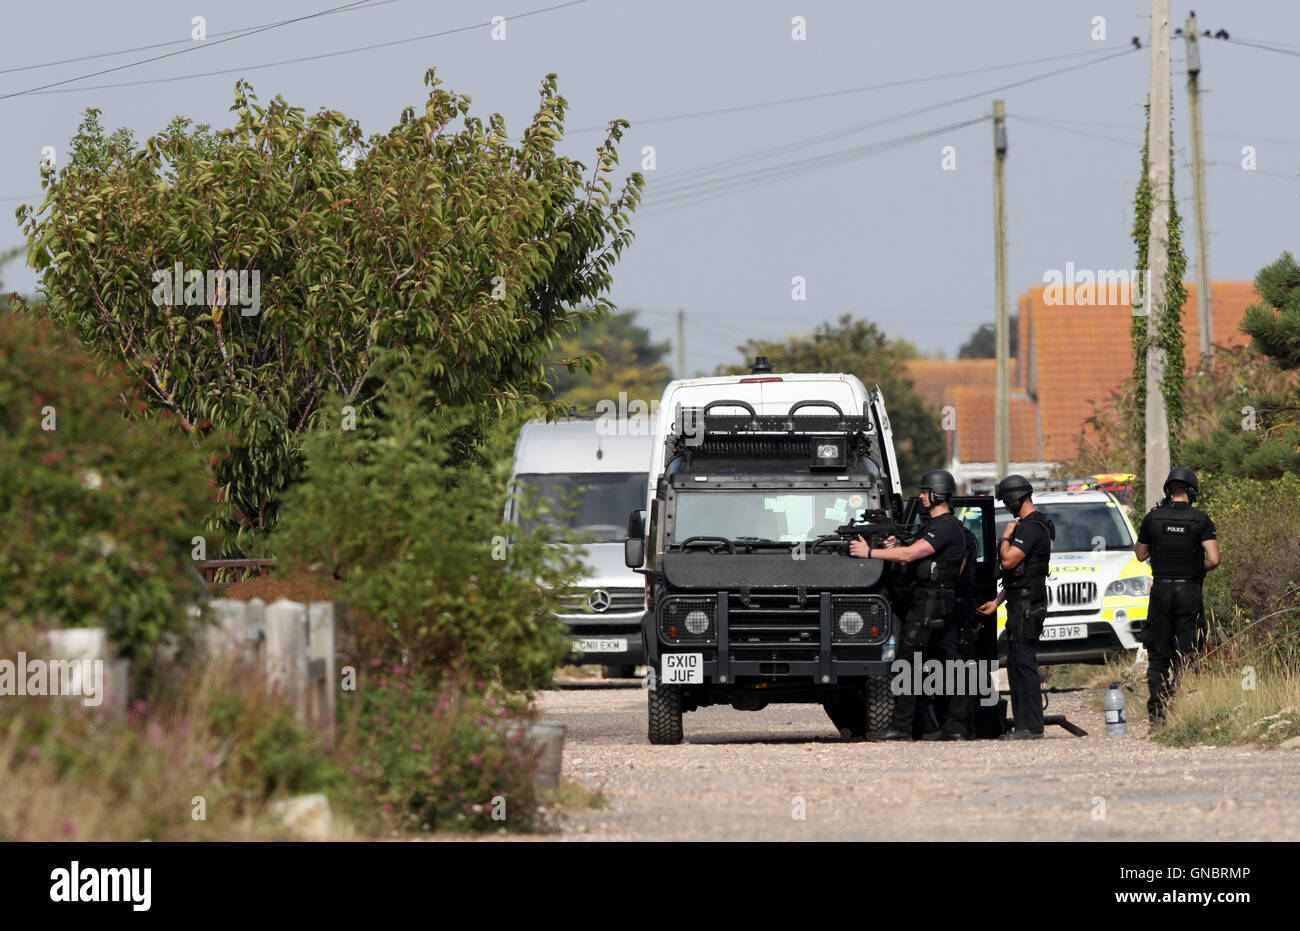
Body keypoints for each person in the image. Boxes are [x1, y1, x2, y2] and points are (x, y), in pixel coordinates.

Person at [850, 469, 966, 741]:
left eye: (926, 492)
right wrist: (895, 545)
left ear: (937, 494)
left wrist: (869, 552)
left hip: (929, 606)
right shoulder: (935, 527)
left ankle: (903, 728)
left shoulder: (945, 527)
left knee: (907, 666)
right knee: (950, 665)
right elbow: (909, 555)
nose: (922, 497)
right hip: (936, 604)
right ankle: (951, 727)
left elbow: (913, 553)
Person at [1134, 467, 1220, 732]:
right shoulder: (1201, 519)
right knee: (1187, 653)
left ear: (1168, 491)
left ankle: (1158, 718)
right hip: (1189, 593)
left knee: (1158, 656)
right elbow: (1214, 559)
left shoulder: (1152, 518)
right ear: (1191, 492)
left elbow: (1140, 554)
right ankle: (1184, 712)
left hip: (1160, 594)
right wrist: (1195, 569)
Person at [978, 474, 1053, 740]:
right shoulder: (1028, 525)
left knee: (1024, 665)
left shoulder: (1031, 528)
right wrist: (996, 602)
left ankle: (1032, 726)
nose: (1007, 508)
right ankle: (1024, 724)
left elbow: (1009, 562)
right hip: (1017, 602)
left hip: (1026, 605)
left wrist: (1005, 538)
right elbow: (1014, 576)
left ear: (1015, 499)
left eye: (1007, 503)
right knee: (1016, 665)